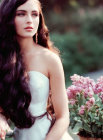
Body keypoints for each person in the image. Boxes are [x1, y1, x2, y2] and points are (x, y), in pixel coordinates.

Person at [0, 0, 71, 140]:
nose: (29, 20)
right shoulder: (3, 60)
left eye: (34, 14)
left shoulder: (50, 59)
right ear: (8, 18)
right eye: (21, 14)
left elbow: (63, 117)